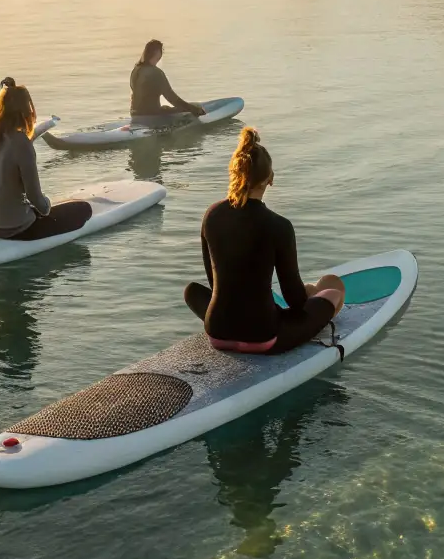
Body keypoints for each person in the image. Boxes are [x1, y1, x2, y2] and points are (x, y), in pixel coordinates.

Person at [183, 127, 345, 355]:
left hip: (217, 332)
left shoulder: (211, 215)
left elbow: (214, 281)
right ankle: (315, 296)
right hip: (263, 336)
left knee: (191, 290)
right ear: (270, 179)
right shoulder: (279, 226)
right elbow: (295, 300)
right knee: (333, 292)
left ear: (235, 174)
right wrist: (309, 301)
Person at [0, 78, 93, 240]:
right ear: (26, 110)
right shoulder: (21, 143)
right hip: (16, 229)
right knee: (84, 209)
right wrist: (46, 205)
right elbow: (35, 198)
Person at [129, 39, 206, 122]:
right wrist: (194, 109)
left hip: (135, 115)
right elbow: (172, 99)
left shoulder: (136, 70)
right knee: (195, 106)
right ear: (157, 53)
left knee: (166, 108)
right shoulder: (156, 73)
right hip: (153, 116)